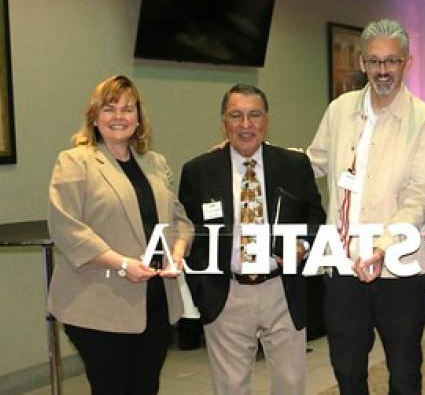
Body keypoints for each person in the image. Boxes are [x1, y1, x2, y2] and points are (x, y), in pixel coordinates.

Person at [307, 18, 425, 394]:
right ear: (362, 63)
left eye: (392, 61)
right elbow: (312, 161)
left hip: (399, 268)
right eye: (374, 62)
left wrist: (382, 248)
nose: (383, 71)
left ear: (407, 62)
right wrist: (253, 154)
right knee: (347, 370)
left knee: (403, 372)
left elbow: (420, 196)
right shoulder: (340, 109)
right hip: (343, 265)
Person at [47, 75, 194, 395]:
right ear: (94, 117)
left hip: (154, 303)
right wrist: (123, 264)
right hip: (98, 305)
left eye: (128, 109)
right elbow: (67, 228)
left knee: (145, 387)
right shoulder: (75, 162)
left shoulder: (154, 163)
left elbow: (180, 221)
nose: (119, 117)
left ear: (139, 117)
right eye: (109, 109)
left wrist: (177, 254)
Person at [179, 83, 326, 395]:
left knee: (290, 384)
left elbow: (316, 217)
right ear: (224, 122)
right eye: (236, 116)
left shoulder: (294, 166)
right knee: (231, 388)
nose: (246, 125)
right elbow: (189, 231)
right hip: (227, 293)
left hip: (282, 289)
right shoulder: (198, 171)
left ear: (266, 120)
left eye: (254, 115)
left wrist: (303, 245)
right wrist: (204, 290)